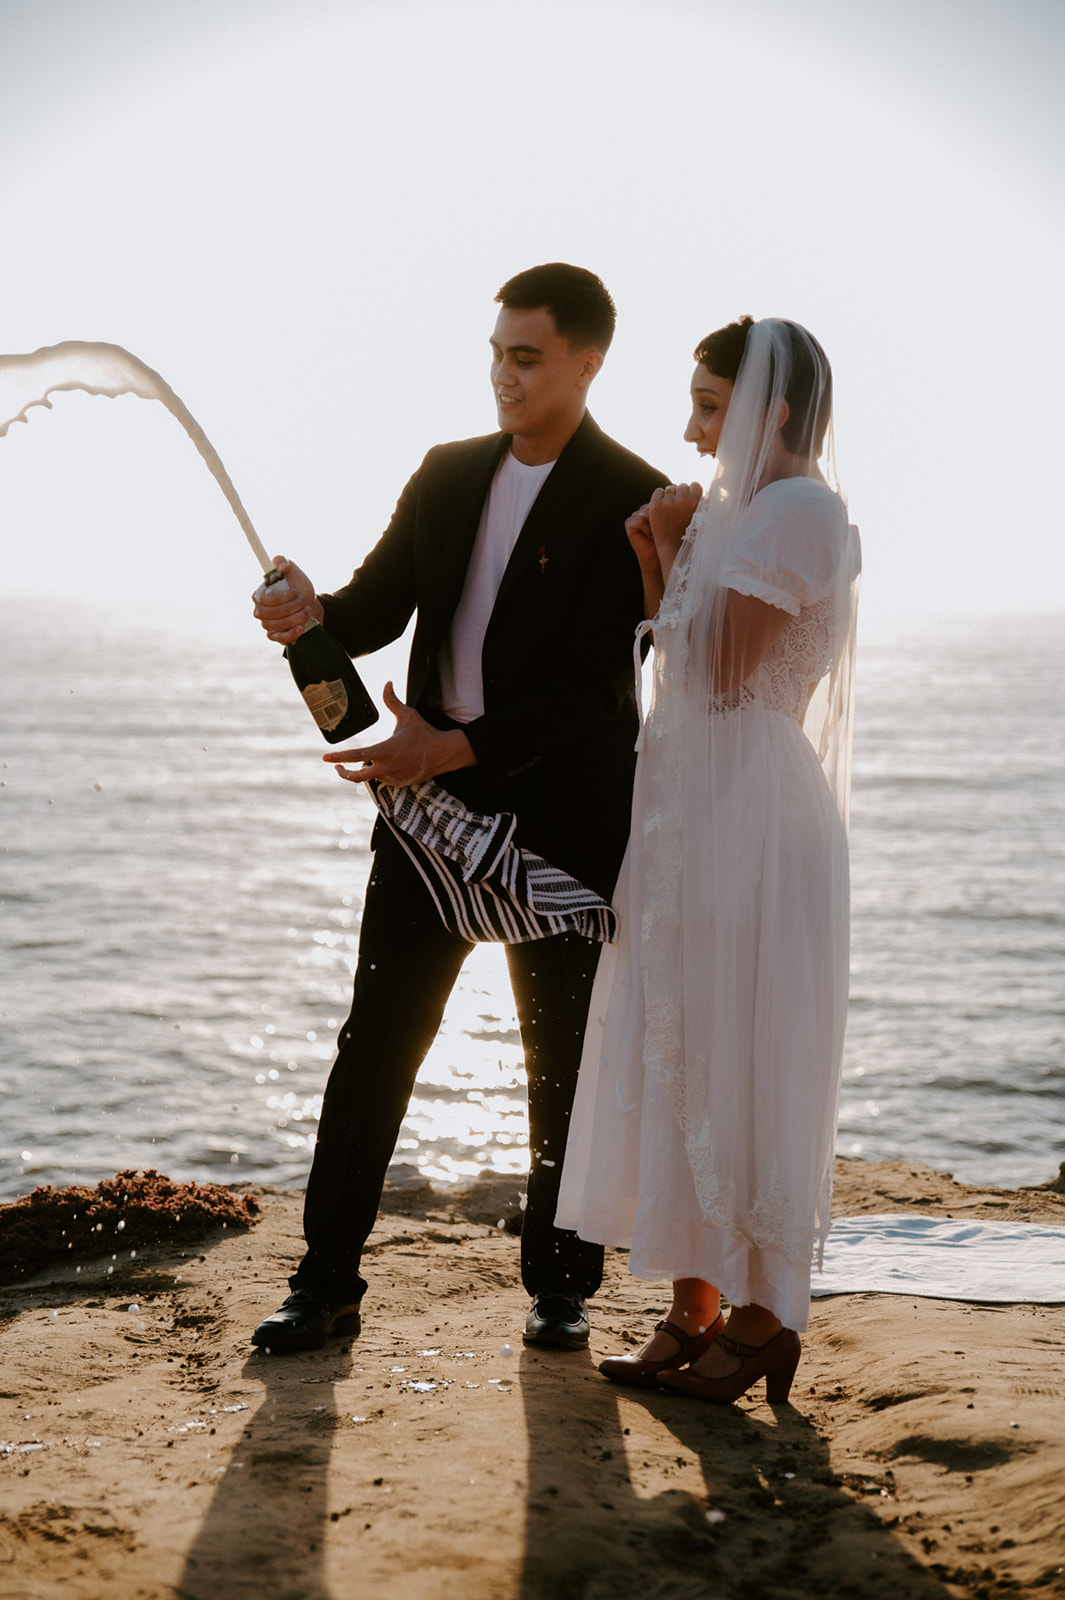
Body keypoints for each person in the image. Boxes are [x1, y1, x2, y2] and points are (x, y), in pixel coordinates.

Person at [249, 263, 668, 1353]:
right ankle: (325, 1280)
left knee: (559, 1058)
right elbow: (372, 608)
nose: (503, 374)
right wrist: (308, 612)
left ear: (588, 361)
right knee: (374, 1042)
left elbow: (599, 689)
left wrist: (457, 741)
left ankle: (561, 1287)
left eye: (526, 356)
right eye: (495, 353)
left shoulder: (634, 495)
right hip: (427, 807)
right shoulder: (444, 471)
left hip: (561, 817)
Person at [556, 316, 861, 1402]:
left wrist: (682, 540)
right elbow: (678, 665)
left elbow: (728, 674)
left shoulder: (804, 512)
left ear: (770, 408)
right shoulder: (743, 511)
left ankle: (765, 1316)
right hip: (693, 806)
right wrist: (660, 559)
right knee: (681, 1046)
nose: (691, 433)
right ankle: (694, 1307)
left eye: (710, 407)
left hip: (755, 815)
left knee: (747, 1054)